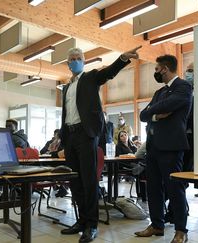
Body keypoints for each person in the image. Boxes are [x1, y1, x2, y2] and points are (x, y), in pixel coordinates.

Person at [59, 46, 141, 243]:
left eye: (79, 57)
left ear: (84, 61)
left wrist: (122, 58)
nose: (76, 60)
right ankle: (81, 220)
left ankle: (92, 225)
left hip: (86, 135)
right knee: (75, 181)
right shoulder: (67, 87)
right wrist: (62, 140)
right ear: (68, 63)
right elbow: (66, 114)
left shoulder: (90, 78)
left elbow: (108, 73)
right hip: (70, 136)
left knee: (89, 181)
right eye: (73, 58)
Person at [135, 54, 192, 243]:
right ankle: (157, 225)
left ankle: (180, 230)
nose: (156, 73)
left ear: (165, 69)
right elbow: (143, 115)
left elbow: (171, 104)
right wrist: (156, 115)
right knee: (153, 189)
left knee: (175, 189)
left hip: (171, 147)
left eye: (157, 69)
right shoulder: (159, 92)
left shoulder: (183, 87)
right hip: (153, 147)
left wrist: (154, 110)